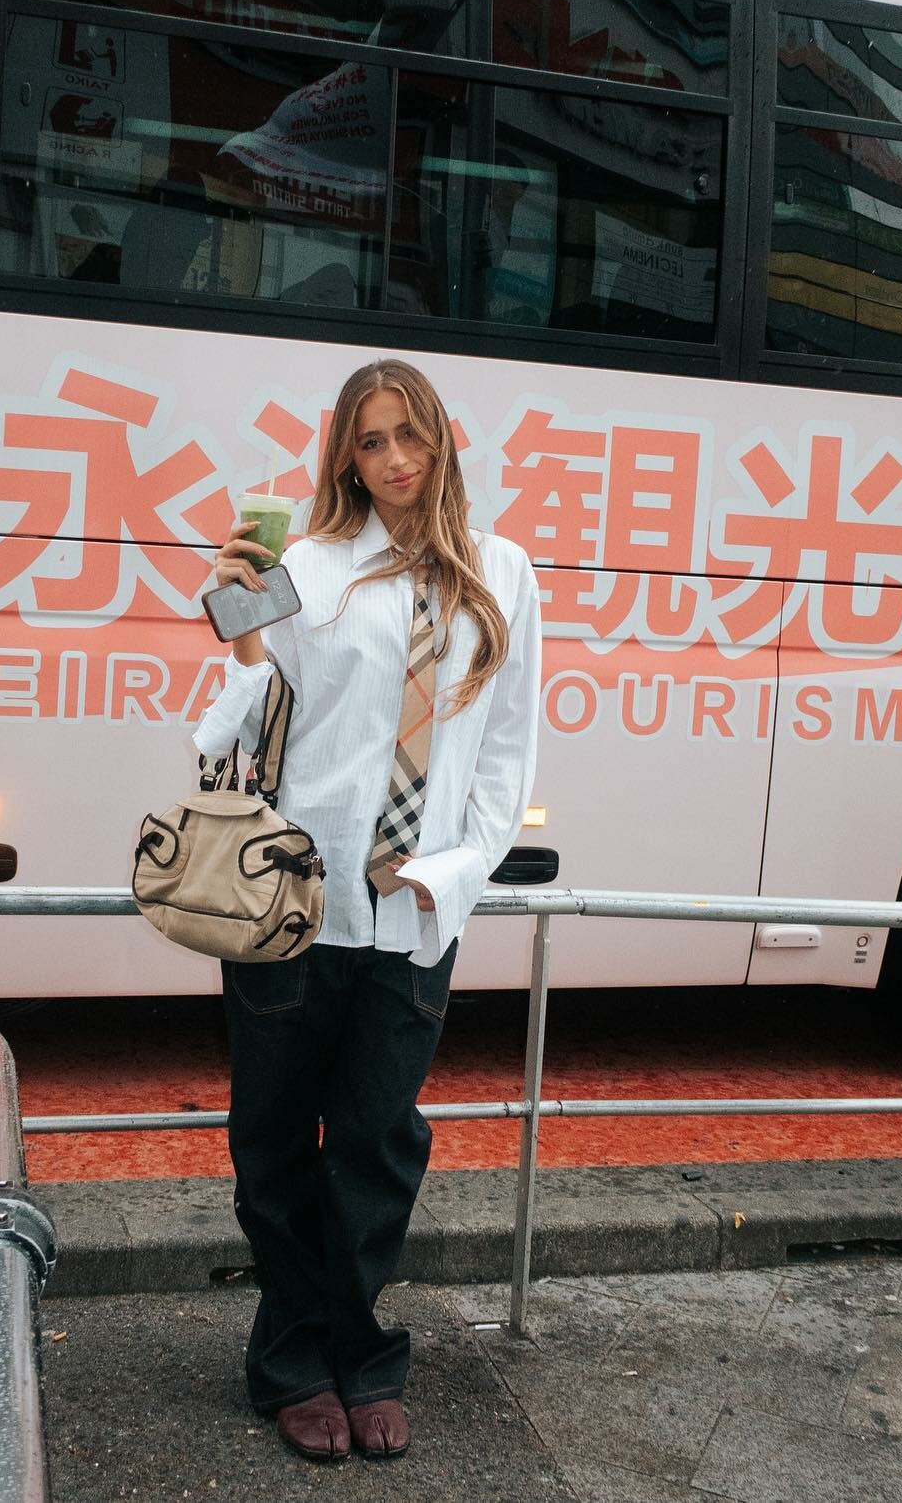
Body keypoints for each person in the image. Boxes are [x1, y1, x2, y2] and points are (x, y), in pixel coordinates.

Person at [194, 358, 541, 1463]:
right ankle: (294, 1361)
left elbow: (507, 750)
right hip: (296, 906)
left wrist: (454, 875)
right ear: (345, 454)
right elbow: (232, 735)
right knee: (273, 1145)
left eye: (411, 434)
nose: (395, 459)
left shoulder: (503, 571)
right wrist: (244, 631)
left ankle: (363, 1354)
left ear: (442, 440)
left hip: (415, 915)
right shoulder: (308, 563)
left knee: (377, 1148)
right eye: (371, 439)